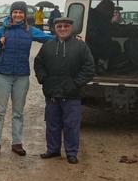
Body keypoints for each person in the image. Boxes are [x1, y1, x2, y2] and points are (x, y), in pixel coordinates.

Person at [0, 1, 52, 158]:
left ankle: (17, 143)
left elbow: (47, 38)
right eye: (15, 12)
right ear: (11, 14)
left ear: (24, 15)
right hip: (2, 74)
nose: (18, 15)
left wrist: (68, 37)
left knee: (18, 112)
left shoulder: (30, 30)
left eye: (20, 12)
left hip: (21, 75)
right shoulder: (2, 29)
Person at [34, 17, 95, 164]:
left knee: (71, 125)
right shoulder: (48, 45)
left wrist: (76, 84)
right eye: (59, 26)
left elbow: (89, 68)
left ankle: (71, 152)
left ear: (71, 28)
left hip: (72, 95)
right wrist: (44, 79)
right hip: (52, 93)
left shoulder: (81, 46)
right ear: (55, 28)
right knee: (52, 123)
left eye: (66, 26)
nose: (62, 29)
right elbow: (38, 63)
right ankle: (53, 149)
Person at [86, 0, 121, 69]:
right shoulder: (95, 16)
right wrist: (113, 23)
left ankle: (103, 63)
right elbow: (95, 33)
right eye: (111, 10)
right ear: (105, 8)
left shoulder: (98, 15)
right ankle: (101, 63)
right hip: (93, 44)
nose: (112, 13)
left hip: (97, 41)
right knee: (115, 46)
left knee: (114, 45)